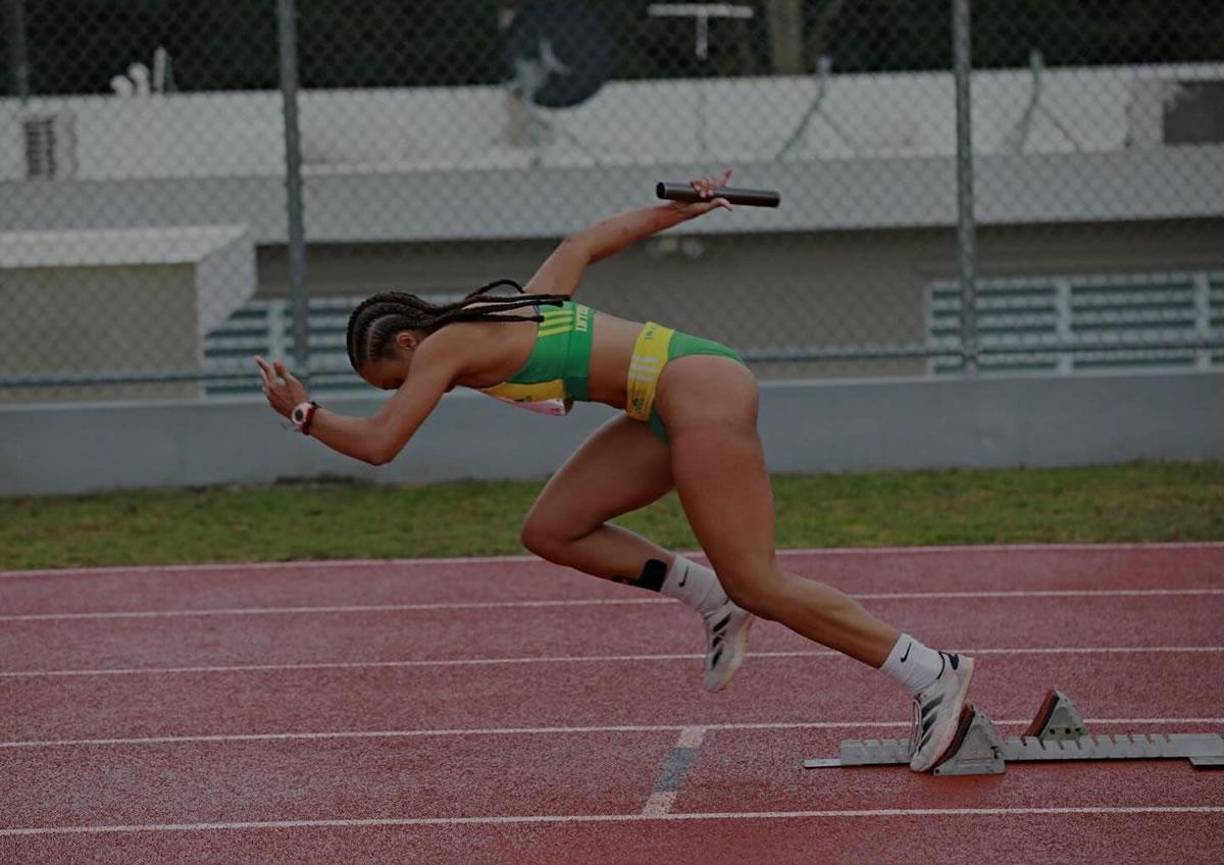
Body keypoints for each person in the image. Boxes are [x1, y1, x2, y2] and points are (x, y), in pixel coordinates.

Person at [254, 170, 975, 772]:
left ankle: (929, 671)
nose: (403, 394)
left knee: (764, 578)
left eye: (393, 379)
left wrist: (305, 415)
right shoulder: (506, 311)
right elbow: (586, 243)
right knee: (552, 527)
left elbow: (382, 444)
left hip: (698, 390)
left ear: (409, 340)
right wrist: (676, 209)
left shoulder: (443, 346)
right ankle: (714, 598)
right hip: (660, 406)